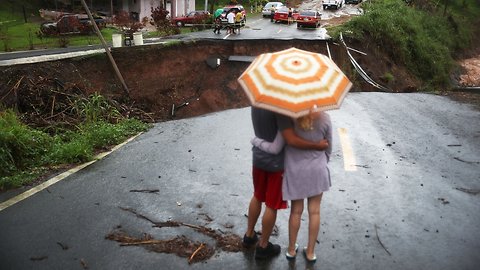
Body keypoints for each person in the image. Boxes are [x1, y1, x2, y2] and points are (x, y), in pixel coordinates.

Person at [244, 107, 328, 260]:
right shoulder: (281, 110)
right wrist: (318, 147)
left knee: (257, 196)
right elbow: (290, 140)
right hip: (275, 164)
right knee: (271, 204)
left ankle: (249, 235)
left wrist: (256, 141)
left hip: (258, 159)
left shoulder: (256, 103)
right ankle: (263, 246)